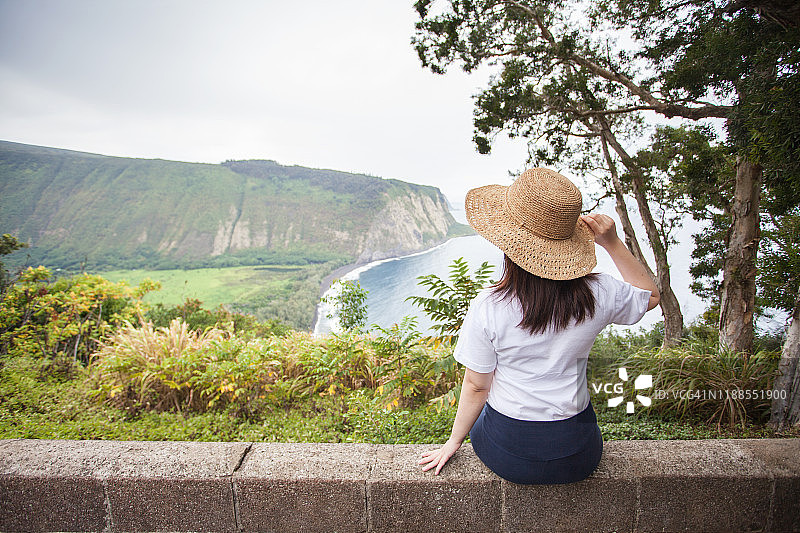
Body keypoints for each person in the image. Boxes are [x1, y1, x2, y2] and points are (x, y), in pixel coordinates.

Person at [418, 168, 660, 484]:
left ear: (508, 241)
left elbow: (478, 386)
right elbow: (650, 295)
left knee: (484, 424)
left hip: (510, 453)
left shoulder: (490, 306)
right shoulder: (599, 292)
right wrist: (612, 243)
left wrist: (453, 443)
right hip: (578, 454)